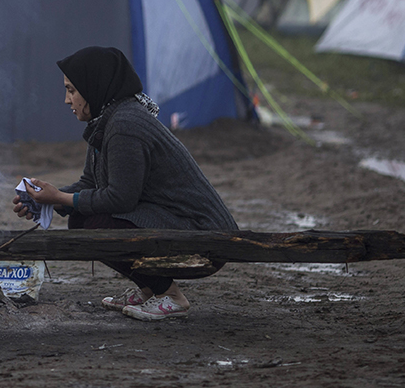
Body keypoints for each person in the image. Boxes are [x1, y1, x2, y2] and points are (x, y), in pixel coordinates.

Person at [13, 46, 238, 321]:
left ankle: (170, 296)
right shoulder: (106, 120)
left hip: (205, 236)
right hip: (176, 223)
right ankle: (149, 288)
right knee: (82, 218)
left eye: (71, 90)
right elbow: (90, 183)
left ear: (93, 86)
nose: (66, 100)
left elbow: (121, 198)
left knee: (94, 224)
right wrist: (46, 198)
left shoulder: (125, 125)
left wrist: (59, 198)